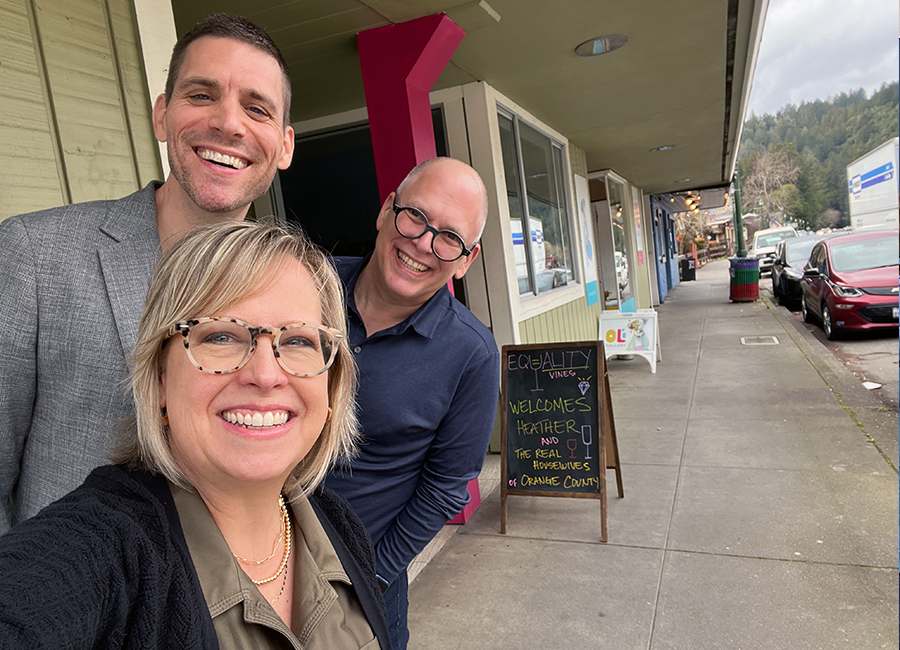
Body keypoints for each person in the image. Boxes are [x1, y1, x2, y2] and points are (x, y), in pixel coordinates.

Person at [0, 222, 390, 650]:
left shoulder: (337, 522)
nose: (264, 374)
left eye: (297, 340)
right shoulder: (100, 549)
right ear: (160, 377)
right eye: (220, 335)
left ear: (331, 388)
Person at [0, 13, 295, 534]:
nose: (229, 123)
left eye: (256, 108)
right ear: (162, 116)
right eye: (202, 95)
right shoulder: (34, 254)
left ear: (285, 144)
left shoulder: (293, 292)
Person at [325, 157, 501, 649]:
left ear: (466, 259)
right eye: (416, 216)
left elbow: (446, 488)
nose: (423, 243)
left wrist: (370, 578)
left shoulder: (471, 354)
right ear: (386, 211)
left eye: (450, 237)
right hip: (244, 560)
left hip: (359, 583)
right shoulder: (305, 286)